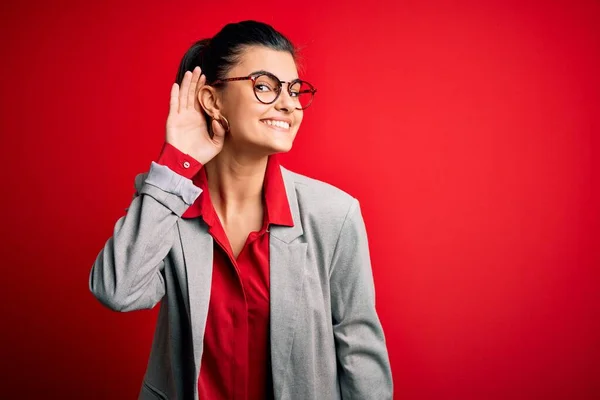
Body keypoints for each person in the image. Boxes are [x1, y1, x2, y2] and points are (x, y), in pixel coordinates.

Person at [89, 20, 392, 400]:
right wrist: (176, 163)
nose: (289, 104)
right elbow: (118, 291)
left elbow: (359, 350)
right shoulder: (169, 204)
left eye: (295, 90)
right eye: (265, 86)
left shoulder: (334, 215)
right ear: (212, 100)